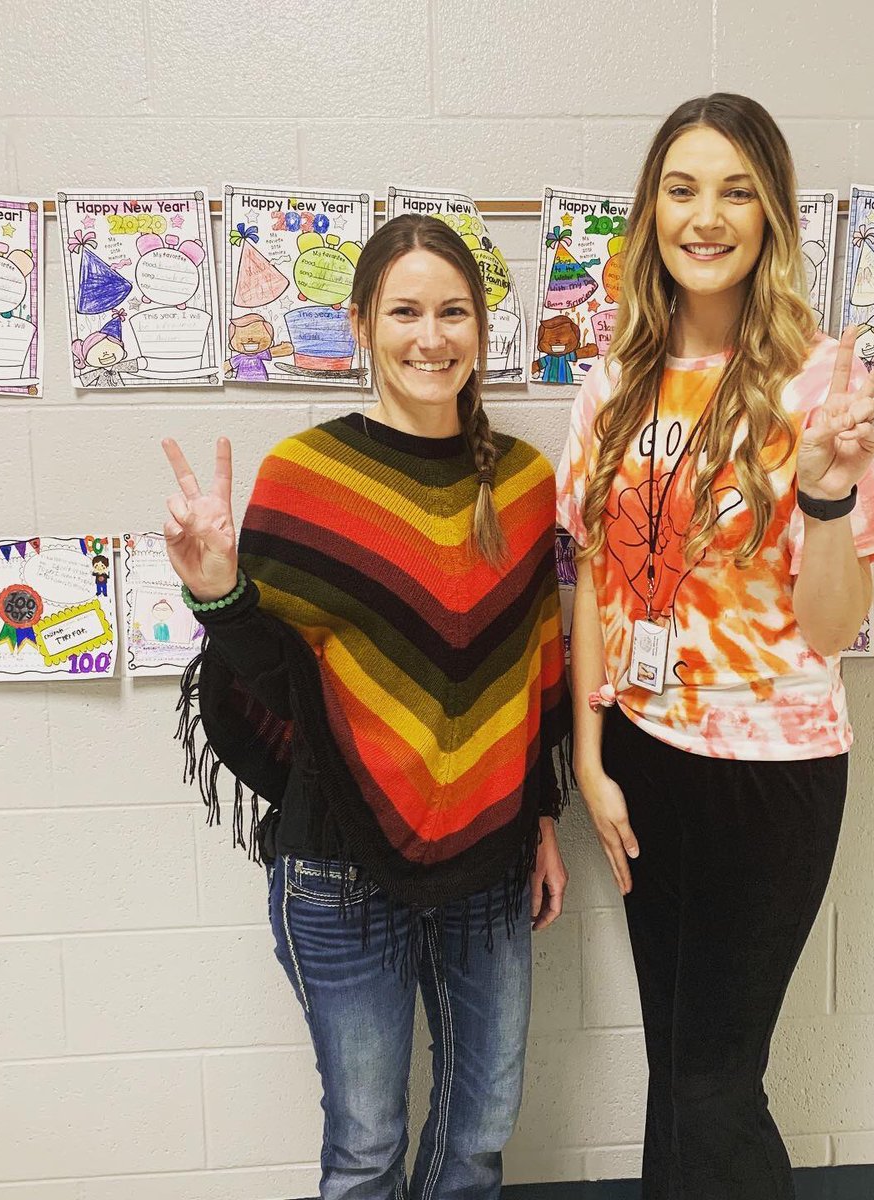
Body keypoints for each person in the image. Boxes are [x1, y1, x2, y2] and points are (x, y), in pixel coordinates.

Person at [556, 94, 874, 1200]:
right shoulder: (613, 383)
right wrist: (589, 753)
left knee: (717, 1080)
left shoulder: (816, 387)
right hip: (647, 756)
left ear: (771, 216)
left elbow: (827, 630)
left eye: (734, 190)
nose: (704, 216)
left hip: (773, 772)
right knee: (678, 1071)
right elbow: (593, 579)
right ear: (649, 212)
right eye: (680, 188)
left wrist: (822, 495)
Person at [162, 214, 570, 1200]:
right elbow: (270, 685)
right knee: (365, 1150)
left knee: (477, 1135)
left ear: (481, 329)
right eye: (405, 312)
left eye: (453, 312)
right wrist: (217, 590)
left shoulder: (522, 482)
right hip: (337, 875)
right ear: (361, 326)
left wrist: (542, 816)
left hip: (491, 864)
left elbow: (528, 676)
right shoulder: (307, 476)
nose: (430, 337)